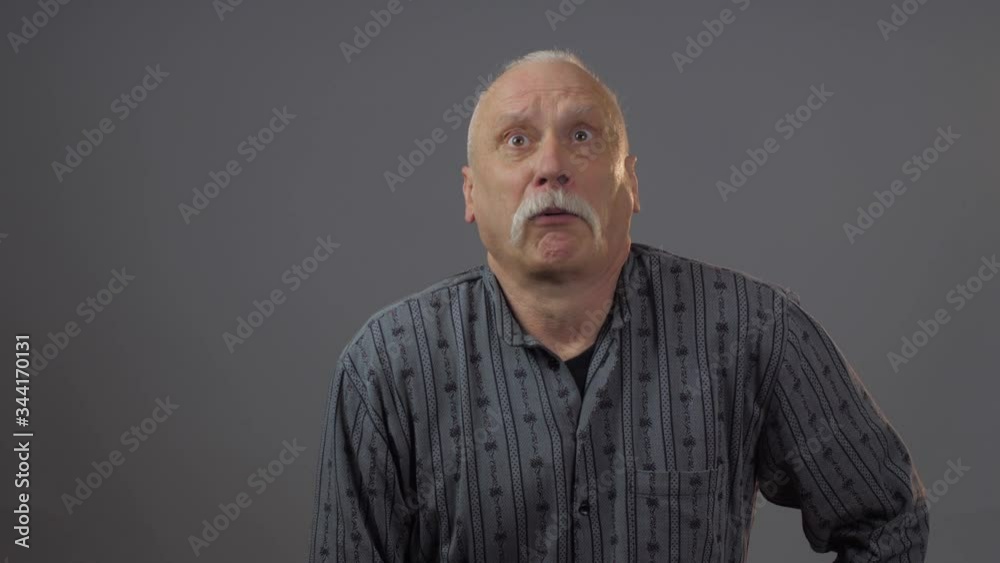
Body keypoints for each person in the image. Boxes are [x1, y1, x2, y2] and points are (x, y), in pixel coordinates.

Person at [307, 49, 930, 563]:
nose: (551, 166)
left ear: (630, 181)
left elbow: (887, 523)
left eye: (581, 137)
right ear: (471, 192)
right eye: (517, 140)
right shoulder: (388, 364)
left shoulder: (752, 329)